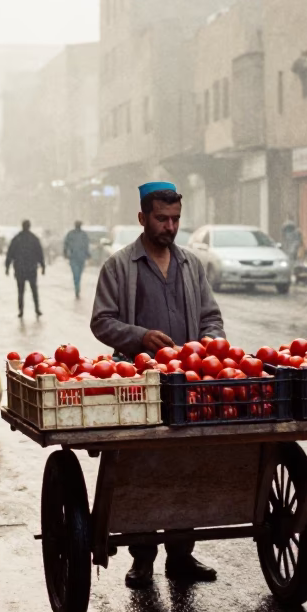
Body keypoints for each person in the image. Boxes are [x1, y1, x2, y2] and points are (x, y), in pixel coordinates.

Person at [91, 181, 224, 589]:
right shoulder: (119, 266)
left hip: (187, 383)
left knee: (187, 465)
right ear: (142, 218)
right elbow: (101, 321)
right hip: (139, 384)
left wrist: (209, 347)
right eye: (162, 219)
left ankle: (181, 556)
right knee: (142, 467)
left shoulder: (191, 266)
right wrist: (139, 337)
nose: (170, 227)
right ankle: (142, 558)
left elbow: (211, 318)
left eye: (175, 219)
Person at [5, 220, 46, 319]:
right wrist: (42, 266)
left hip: (20, 268)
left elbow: (10, 253)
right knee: (33, 290)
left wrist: (7, 266)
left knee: (21, 291)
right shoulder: (33, 238)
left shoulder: (17, 239)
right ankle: (36, 309)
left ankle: (21, 310)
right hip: (30, 268)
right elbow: (39, 253)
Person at [63, 220, 93, 299]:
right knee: (76, 274)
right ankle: (77, 288)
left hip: (80, 258)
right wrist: (65, 253)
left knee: (78, 274)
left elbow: (86, 245)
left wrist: (88, 254)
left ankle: (77, 286)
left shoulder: (83, 235)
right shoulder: (71, 234)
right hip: (74, 258)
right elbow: (66, 244)